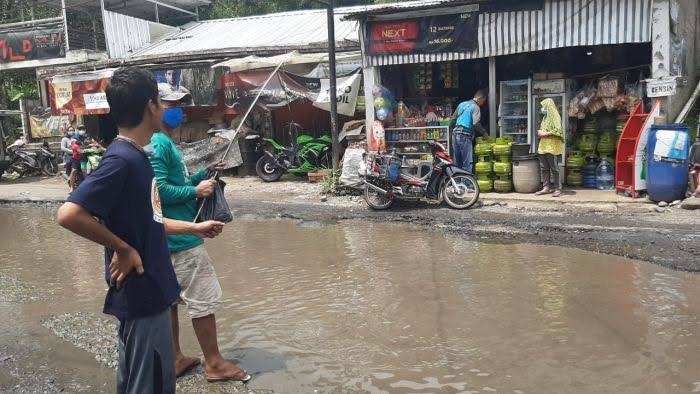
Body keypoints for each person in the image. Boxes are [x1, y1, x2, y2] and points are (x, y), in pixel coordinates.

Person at [56, 66, 226, 394]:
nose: (165, 108)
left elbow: (149, 221)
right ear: (151, 106)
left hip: (153, 296)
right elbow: (69, 214)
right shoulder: (121, 159)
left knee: (150, 383)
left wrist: (195, 228)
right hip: (142, 297)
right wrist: (121, 247)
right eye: (161, 102)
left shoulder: (138, 156)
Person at [149, 94, 250, 382]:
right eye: (169, 105)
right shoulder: (159, 142)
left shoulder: (164, 142)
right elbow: (161, 191)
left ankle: (176, 358)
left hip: (169, 237)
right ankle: (215, 364)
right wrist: (196, 192)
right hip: (182, 238)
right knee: (202, 300)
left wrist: (202, 176)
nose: (176, 111)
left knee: (170, 302)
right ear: (154, 108)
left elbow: (175, 182)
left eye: (179, 105)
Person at [451, 90, 488, 173]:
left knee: (457, 162)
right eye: (483, 101)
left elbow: (453, 120)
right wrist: (484, 133)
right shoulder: (476, 107)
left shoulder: (462, 104)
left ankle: (457, 182)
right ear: (480, 98)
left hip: (455, 134)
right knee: (467, 163)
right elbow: (476, 123)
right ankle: (467, 184)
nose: (483, 103)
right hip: (464, 135)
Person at [534, 98, 564, 198]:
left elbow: (558, 131)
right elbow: (542, 130)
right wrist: (539, 133)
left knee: (554, 168)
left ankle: (558, 189)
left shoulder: (556, 117)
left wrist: (544, 134)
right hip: (543, 146)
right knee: (544, 168)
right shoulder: (545, 118)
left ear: (548, 106)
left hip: (552, 146)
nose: (542, 108)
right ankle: (546, 187)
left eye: (544, 106)